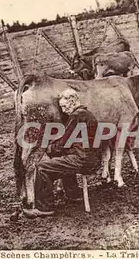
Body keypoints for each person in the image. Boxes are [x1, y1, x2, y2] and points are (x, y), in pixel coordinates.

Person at [23, 88, 103, 218]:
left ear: (73, 101)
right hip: (92, 159)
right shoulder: (87, 114)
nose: (64, 110)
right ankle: (73, 194)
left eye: (65, 107)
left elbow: (63, 142)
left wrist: (48, 149)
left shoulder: (77, 116)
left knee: (42, 168)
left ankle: (44, 208)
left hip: (83, 160)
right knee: (62, 159)